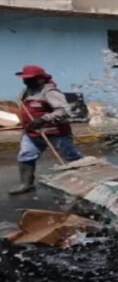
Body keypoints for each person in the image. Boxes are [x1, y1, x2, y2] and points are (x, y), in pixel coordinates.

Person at [10, 65, 84, 195]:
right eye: (24, 79)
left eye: (29, 79)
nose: (25, 81)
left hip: (55, 132)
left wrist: (43, 119)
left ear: (41, 79)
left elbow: (64, 110)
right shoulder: (26, 91)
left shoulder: (50, 92)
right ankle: (26, 184)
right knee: (25, 155)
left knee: (71, 156)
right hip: (32, 132)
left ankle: (88, 180)